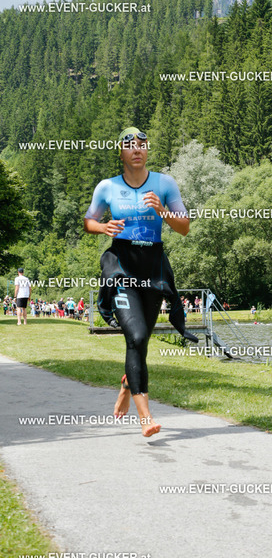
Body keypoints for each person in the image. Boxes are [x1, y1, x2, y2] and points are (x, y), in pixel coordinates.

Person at [84, 127, 197, 438]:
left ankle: (126, 384)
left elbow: (184, 227)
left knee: (141, 340)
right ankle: (146, 417)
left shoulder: (165, 183)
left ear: (147, 150)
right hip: (122, 265)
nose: (137, 150)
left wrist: (162, 211)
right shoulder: (107, 187)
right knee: (134, 335)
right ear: (120, 152)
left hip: (153, 266)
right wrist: (103, 227)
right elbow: (89, 220)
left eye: (142, 145)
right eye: (130, 145)